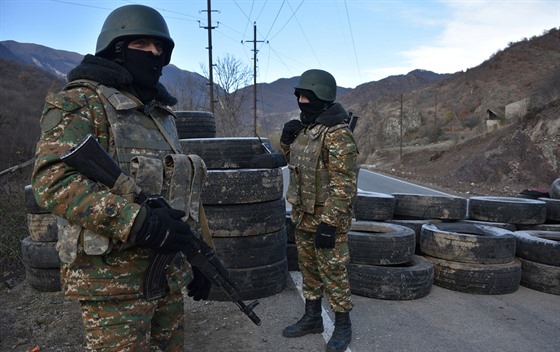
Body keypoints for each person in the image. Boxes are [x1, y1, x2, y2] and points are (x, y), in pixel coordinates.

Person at [32, 5, 211, 351]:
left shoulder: (161, 116)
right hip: (112, 283)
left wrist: (199, 254)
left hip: (167, 276)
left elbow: (183, 192)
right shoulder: (82, 102)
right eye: (143, 45)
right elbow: (51, 180)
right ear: (117, 48)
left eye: (161, 48)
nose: (154, 55)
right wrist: (138, 222)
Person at [280, 69, 358, 352]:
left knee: (334, 272)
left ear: (322, 97)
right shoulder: (306, 129)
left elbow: (344, 185)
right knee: (309, 269)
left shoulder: (338, 135)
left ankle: (342, 325)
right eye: (299, 95)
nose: (301, 101)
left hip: (327, 219)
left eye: (307, 96)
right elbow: (296, 165)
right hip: (303, 214)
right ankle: (312, 317)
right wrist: (286, 142)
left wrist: (331, 223)